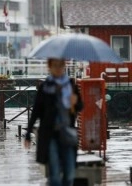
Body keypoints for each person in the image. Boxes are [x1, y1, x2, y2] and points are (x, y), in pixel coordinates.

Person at [24, 58, 83, 186]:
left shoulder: (71, 86)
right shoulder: (45, 88)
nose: (58, 69)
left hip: (67, 132)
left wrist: (75, 103)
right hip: (50, 134)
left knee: (69, 174)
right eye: (55, 66)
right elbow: (36, 112)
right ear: (49, 67)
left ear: (64, 66)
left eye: (60, 65)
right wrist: (28, 133)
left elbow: (80, 106)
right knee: (54, 175)